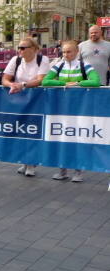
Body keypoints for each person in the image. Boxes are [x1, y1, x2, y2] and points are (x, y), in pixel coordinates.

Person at [42, 40, 99, 182]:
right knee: (63, 138)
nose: (66, 55)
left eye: (69, 52)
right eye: (64, 52)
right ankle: (63, 169)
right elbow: (45, 81)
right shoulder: (59, 65)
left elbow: (95, 81)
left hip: (81, 108)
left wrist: (78, 84)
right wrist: (63, 83)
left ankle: (78, 170)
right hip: (63, 108)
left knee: (79, 138)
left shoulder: (84, 65)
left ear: (77, 52)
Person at [2, 37, 50, 177]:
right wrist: (12, 85)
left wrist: (22, 85)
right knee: (21, 130)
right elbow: (5, 79)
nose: (19, 50)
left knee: (33, 132)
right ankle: (25, 161)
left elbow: (40, 80)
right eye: (19, 47)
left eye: (23, 48)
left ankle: (31, 162)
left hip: (37, 100)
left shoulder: (43, 60)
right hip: (19, 99)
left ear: (32, 49)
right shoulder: (15, 60)